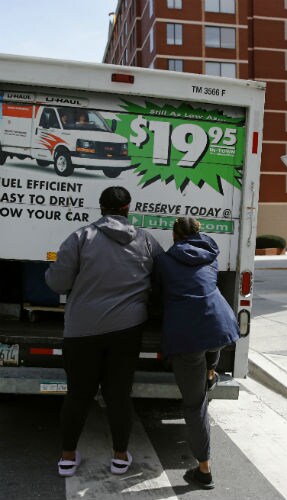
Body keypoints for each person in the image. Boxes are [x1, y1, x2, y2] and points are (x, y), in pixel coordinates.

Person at [45, 186, 163, 477]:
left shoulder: (80, 237)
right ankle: (120, 457)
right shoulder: (146, 240)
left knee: (78, 395)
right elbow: (161, 278)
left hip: (82, 330)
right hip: (127, 329)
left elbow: (57, 283)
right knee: (119, 395)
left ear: (101, 207)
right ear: (128, 208)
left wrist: (51, 271)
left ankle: (67, 457)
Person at [153, 217, 240, 490]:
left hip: (189, 334)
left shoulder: (164, 261)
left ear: (174, 235)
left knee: (194, 404)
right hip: (221, 323)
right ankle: (211, 370)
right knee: (211, 345)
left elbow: (156, 294)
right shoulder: (211, 255)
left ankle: (204, 469)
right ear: (199, 232)